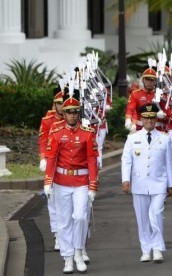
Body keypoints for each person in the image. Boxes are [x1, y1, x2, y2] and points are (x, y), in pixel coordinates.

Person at [43, 89, 99, 274]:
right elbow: (51, 157)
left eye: (75, 111)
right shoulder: (57, 132)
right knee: (64, 221)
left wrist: (93, 185)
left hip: (81, 181)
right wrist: (48, 182)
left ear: (79, 113)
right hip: (61, 181)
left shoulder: (87, 133)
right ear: (64, 113)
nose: (72, 115)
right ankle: (67, 259)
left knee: (81, 217)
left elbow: (92, 159)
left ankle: (78, 252)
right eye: (69, 111)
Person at [121, 103, 172, 263]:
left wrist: (171, 184)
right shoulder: (132, 138)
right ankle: (146, 249)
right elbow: (126, 161)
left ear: (155, 119)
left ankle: (157, 248)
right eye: (146, 118)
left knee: (156, 213)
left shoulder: (164, 139)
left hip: (159, 183)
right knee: (142, 218)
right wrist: (126, 180)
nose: (149, 121)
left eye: (152, 118)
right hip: (139, 183)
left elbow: (169, 163)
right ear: (141, 119)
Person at [38, 86, 64, 251]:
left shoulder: (74, 118)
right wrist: (42, 159)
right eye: (58, 103)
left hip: (67, 163)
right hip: (51, 162)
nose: (61, 106)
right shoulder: (47, 120)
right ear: (54, 104)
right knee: (53, 199)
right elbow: (42, 141)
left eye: (63, 103)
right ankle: (57, 233)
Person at [125, 67, 158, 132]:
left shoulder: (160, 94)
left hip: (156, 128)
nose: (149, 82)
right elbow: (131, 108)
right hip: (139, 127)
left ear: (155, 82)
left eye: (151, 80)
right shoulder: (135, 94)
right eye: (147, 80)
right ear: (143, 80)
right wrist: (128, 119)